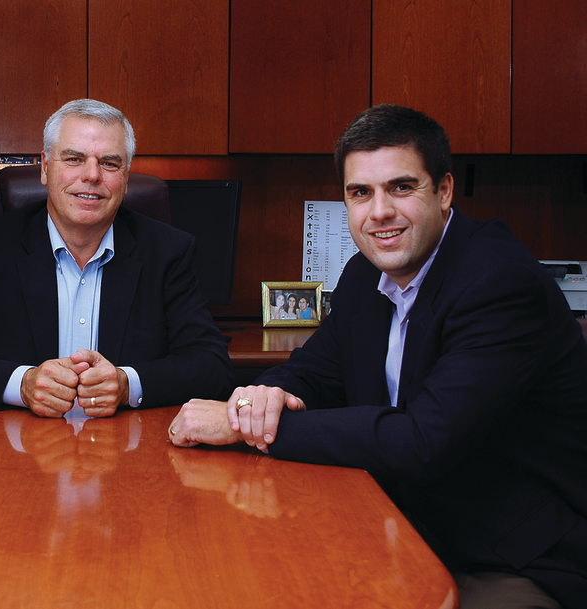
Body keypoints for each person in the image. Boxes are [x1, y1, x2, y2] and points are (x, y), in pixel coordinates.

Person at [169, 104, 587, 608]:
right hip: (400, 524)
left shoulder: (499, 282)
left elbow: (421, 441)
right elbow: (313, 374)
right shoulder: (365, 275)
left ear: (445, 191)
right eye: (360, 193)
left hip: (508, 558)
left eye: (401, 187)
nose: (379, 212)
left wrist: (244, 425)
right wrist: (262, 399)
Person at [0, 99, 233, 418]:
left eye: (109, 163)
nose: (92, 175)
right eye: (74, 158)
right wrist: (22, 384)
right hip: (16, 451)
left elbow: (212, 368)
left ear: (125, 178)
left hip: (127, 452)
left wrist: (128, 385)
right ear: (45, 167)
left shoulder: (168, 252)